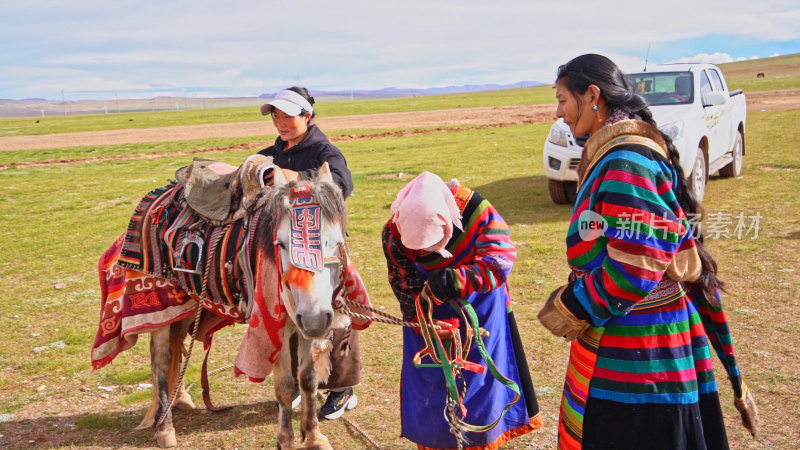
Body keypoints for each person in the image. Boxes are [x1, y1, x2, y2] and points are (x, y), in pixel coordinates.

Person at [537, 54, 758, 449]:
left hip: (641, 352)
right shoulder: (618, 153)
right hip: (639, 336)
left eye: (562, 100)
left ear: (592, 95)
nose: (560, 113)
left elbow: (635, 267)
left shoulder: (624, 160)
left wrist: (569, 305)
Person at [382, 171, 542, 449]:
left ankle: (482, 441)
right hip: (430, 318)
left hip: (481, 309)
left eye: (435, 242)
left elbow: (499, 261)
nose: (429, 250)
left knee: (481, 387)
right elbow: (403, 284)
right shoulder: (393, 232)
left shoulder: (475, 210)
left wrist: (455, 279)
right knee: (432, 395)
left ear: (448, 221)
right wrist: (425, 324)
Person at [258, 86, 363, 420]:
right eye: (276, 116)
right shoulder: (270, 153)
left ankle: (341, 390)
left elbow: (341, 184)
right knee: (293, 312)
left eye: (289, 116)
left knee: (337, 312)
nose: (281, 123)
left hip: (324, 250)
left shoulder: (325, 152)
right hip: (289, 250)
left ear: (308, 115)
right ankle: (304, 382)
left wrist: (292, 178)